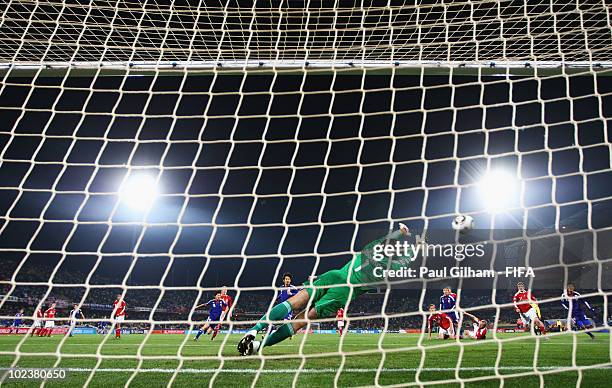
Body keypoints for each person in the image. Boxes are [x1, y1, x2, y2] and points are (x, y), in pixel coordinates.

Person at [238, 224, 413, 355]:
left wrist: (401, 232)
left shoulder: (369, 249)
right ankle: (258, 346)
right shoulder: (386, 271)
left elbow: (386, 240)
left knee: (294, 302)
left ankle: (254, 329)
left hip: (333, 276)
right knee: (302, 319)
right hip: (344, 291)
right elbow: (405, 261)